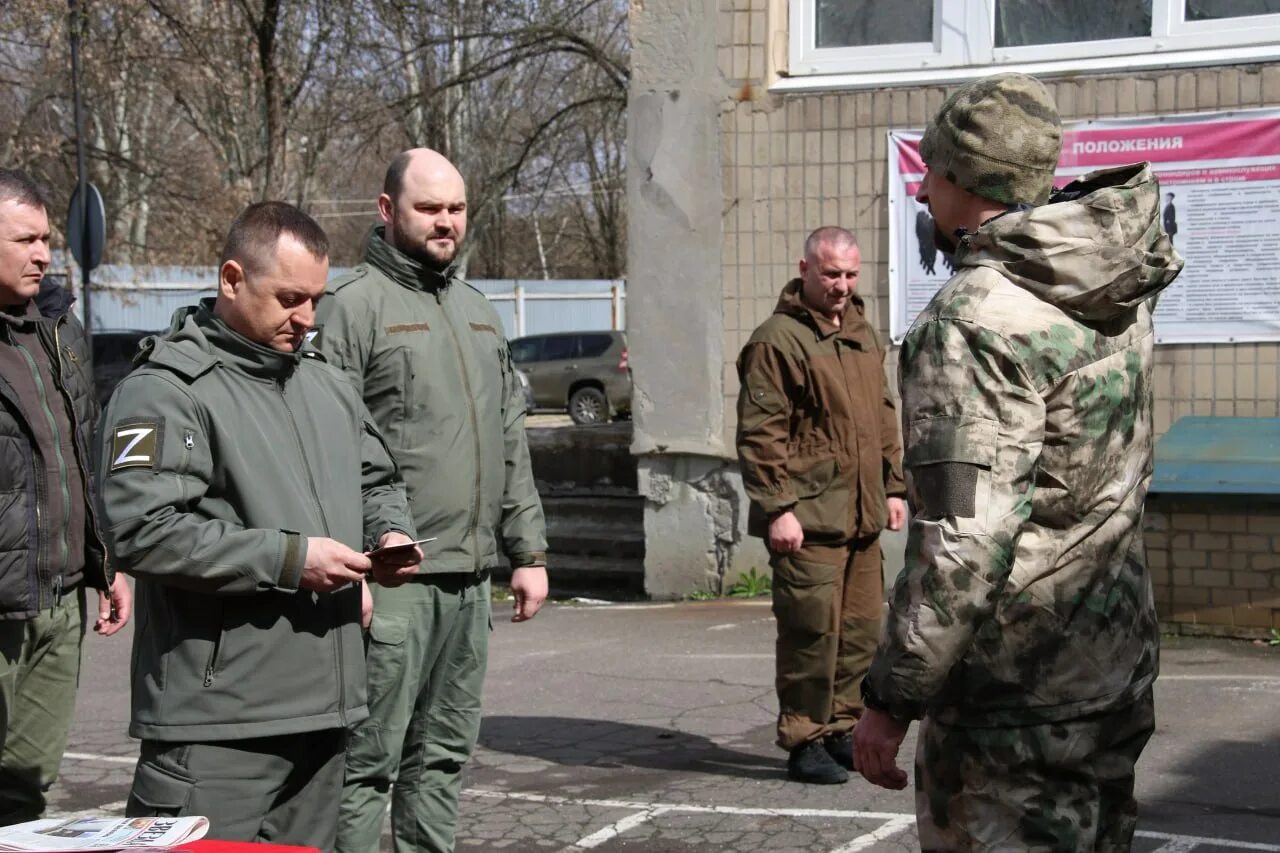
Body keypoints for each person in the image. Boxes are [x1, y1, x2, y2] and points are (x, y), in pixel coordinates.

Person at [852, 73, 1184, 849]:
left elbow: (962, 541)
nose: (923, 185)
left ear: (963, 178)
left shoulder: (975, 320)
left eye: (932, 167)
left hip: (1014, 699)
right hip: (1109, 666)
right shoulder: (1109, 281)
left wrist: (891, 697)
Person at [96, 202, 420, 849]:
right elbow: (143, 529)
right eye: (290, 298)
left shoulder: (325, 383)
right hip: (218, 725)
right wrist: (290, 560)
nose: (307, 318)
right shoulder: (167, 389)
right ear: (232, 279)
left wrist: (387, 532)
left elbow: (376, 478)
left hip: (325, 710)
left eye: (316, 299)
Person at [317, 148, 548, 853]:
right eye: (429, 208)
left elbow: (510, 435)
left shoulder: (478, 311)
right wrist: (349, 570)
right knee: (368, 760)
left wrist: (528, 548)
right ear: (387, 211)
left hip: (470, 579)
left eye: (455, 208)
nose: (446, 221)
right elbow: (327, 446)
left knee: (443, 755)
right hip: (393, 580)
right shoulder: (351, 308)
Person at [735, 226, 906, 785]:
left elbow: (882, 417)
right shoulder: (777, 341)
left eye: (851, 275)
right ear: (804, 268)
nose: (842, 285)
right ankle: (804, 737)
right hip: (807, 519)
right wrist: (777, 506)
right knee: (812, 634)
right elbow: (762, 435)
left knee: (859, 633)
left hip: (861, 516)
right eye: (831, 273)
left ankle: (840, 728)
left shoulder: (861, 334)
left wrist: (895, 487)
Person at [0, 169, 131, 824]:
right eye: (25, 239)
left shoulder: (59, 325)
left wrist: (107, 562)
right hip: (2, 607)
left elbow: (84, 450)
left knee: (28, 792)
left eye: (46, 238)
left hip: (59, 602)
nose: (44, 253)